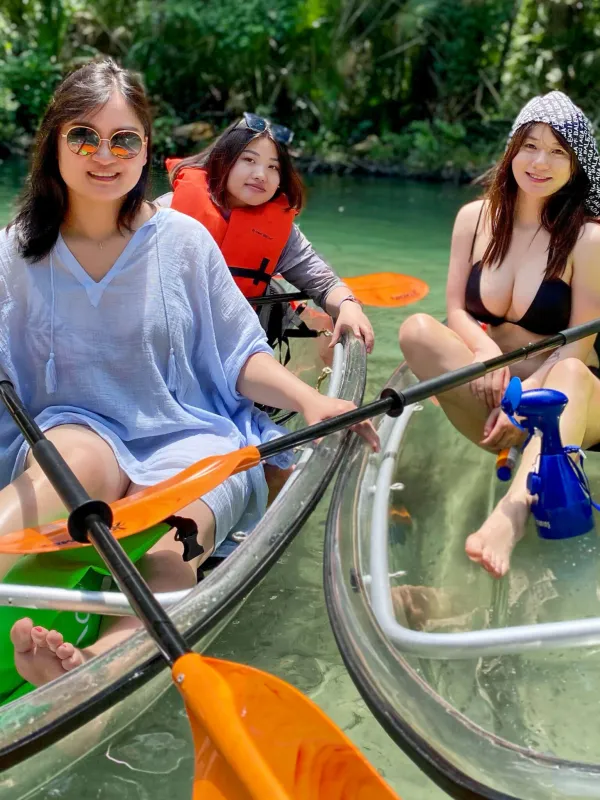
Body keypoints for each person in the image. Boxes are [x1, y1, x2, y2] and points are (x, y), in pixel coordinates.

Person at [0, 58, 379, 688]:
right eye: (83, 137)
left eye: (124, 139)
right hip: (78, 429)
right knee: (68, 458)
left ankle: (98, 664)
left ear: (146, 148)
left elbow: (239, 354)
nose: (104, 155)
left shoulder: (182, 240)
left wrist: (308, 403)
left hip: (189, 433)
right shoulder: (16, 251)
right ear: (53, 143)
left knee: (171, 538)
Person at [398, 91, 600, 579]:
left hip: (570, 396)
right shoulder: (474, 218)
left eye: (558, 152)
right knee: (417, 331)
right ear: (512, 149)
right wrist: (486, 353)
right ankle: (508, 443)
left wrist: (526, 397)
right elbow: (454, 310)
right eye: (530, 146)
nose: (540, 162)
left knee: (571, 369)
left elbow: (580, 342)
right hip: (496, 385)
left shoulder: (589, 238)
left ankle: (510, 515)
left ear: (576, 166)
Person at [161, 112, 375, 353]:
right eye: (249, 160)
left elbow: (323, 283)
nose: (261, 174)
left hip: (232, 351)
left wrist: (348, 305)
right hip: (167, 342)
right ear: (224, 160)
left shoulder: (283, 235)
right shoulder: (168, 212)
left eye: (273, 166)